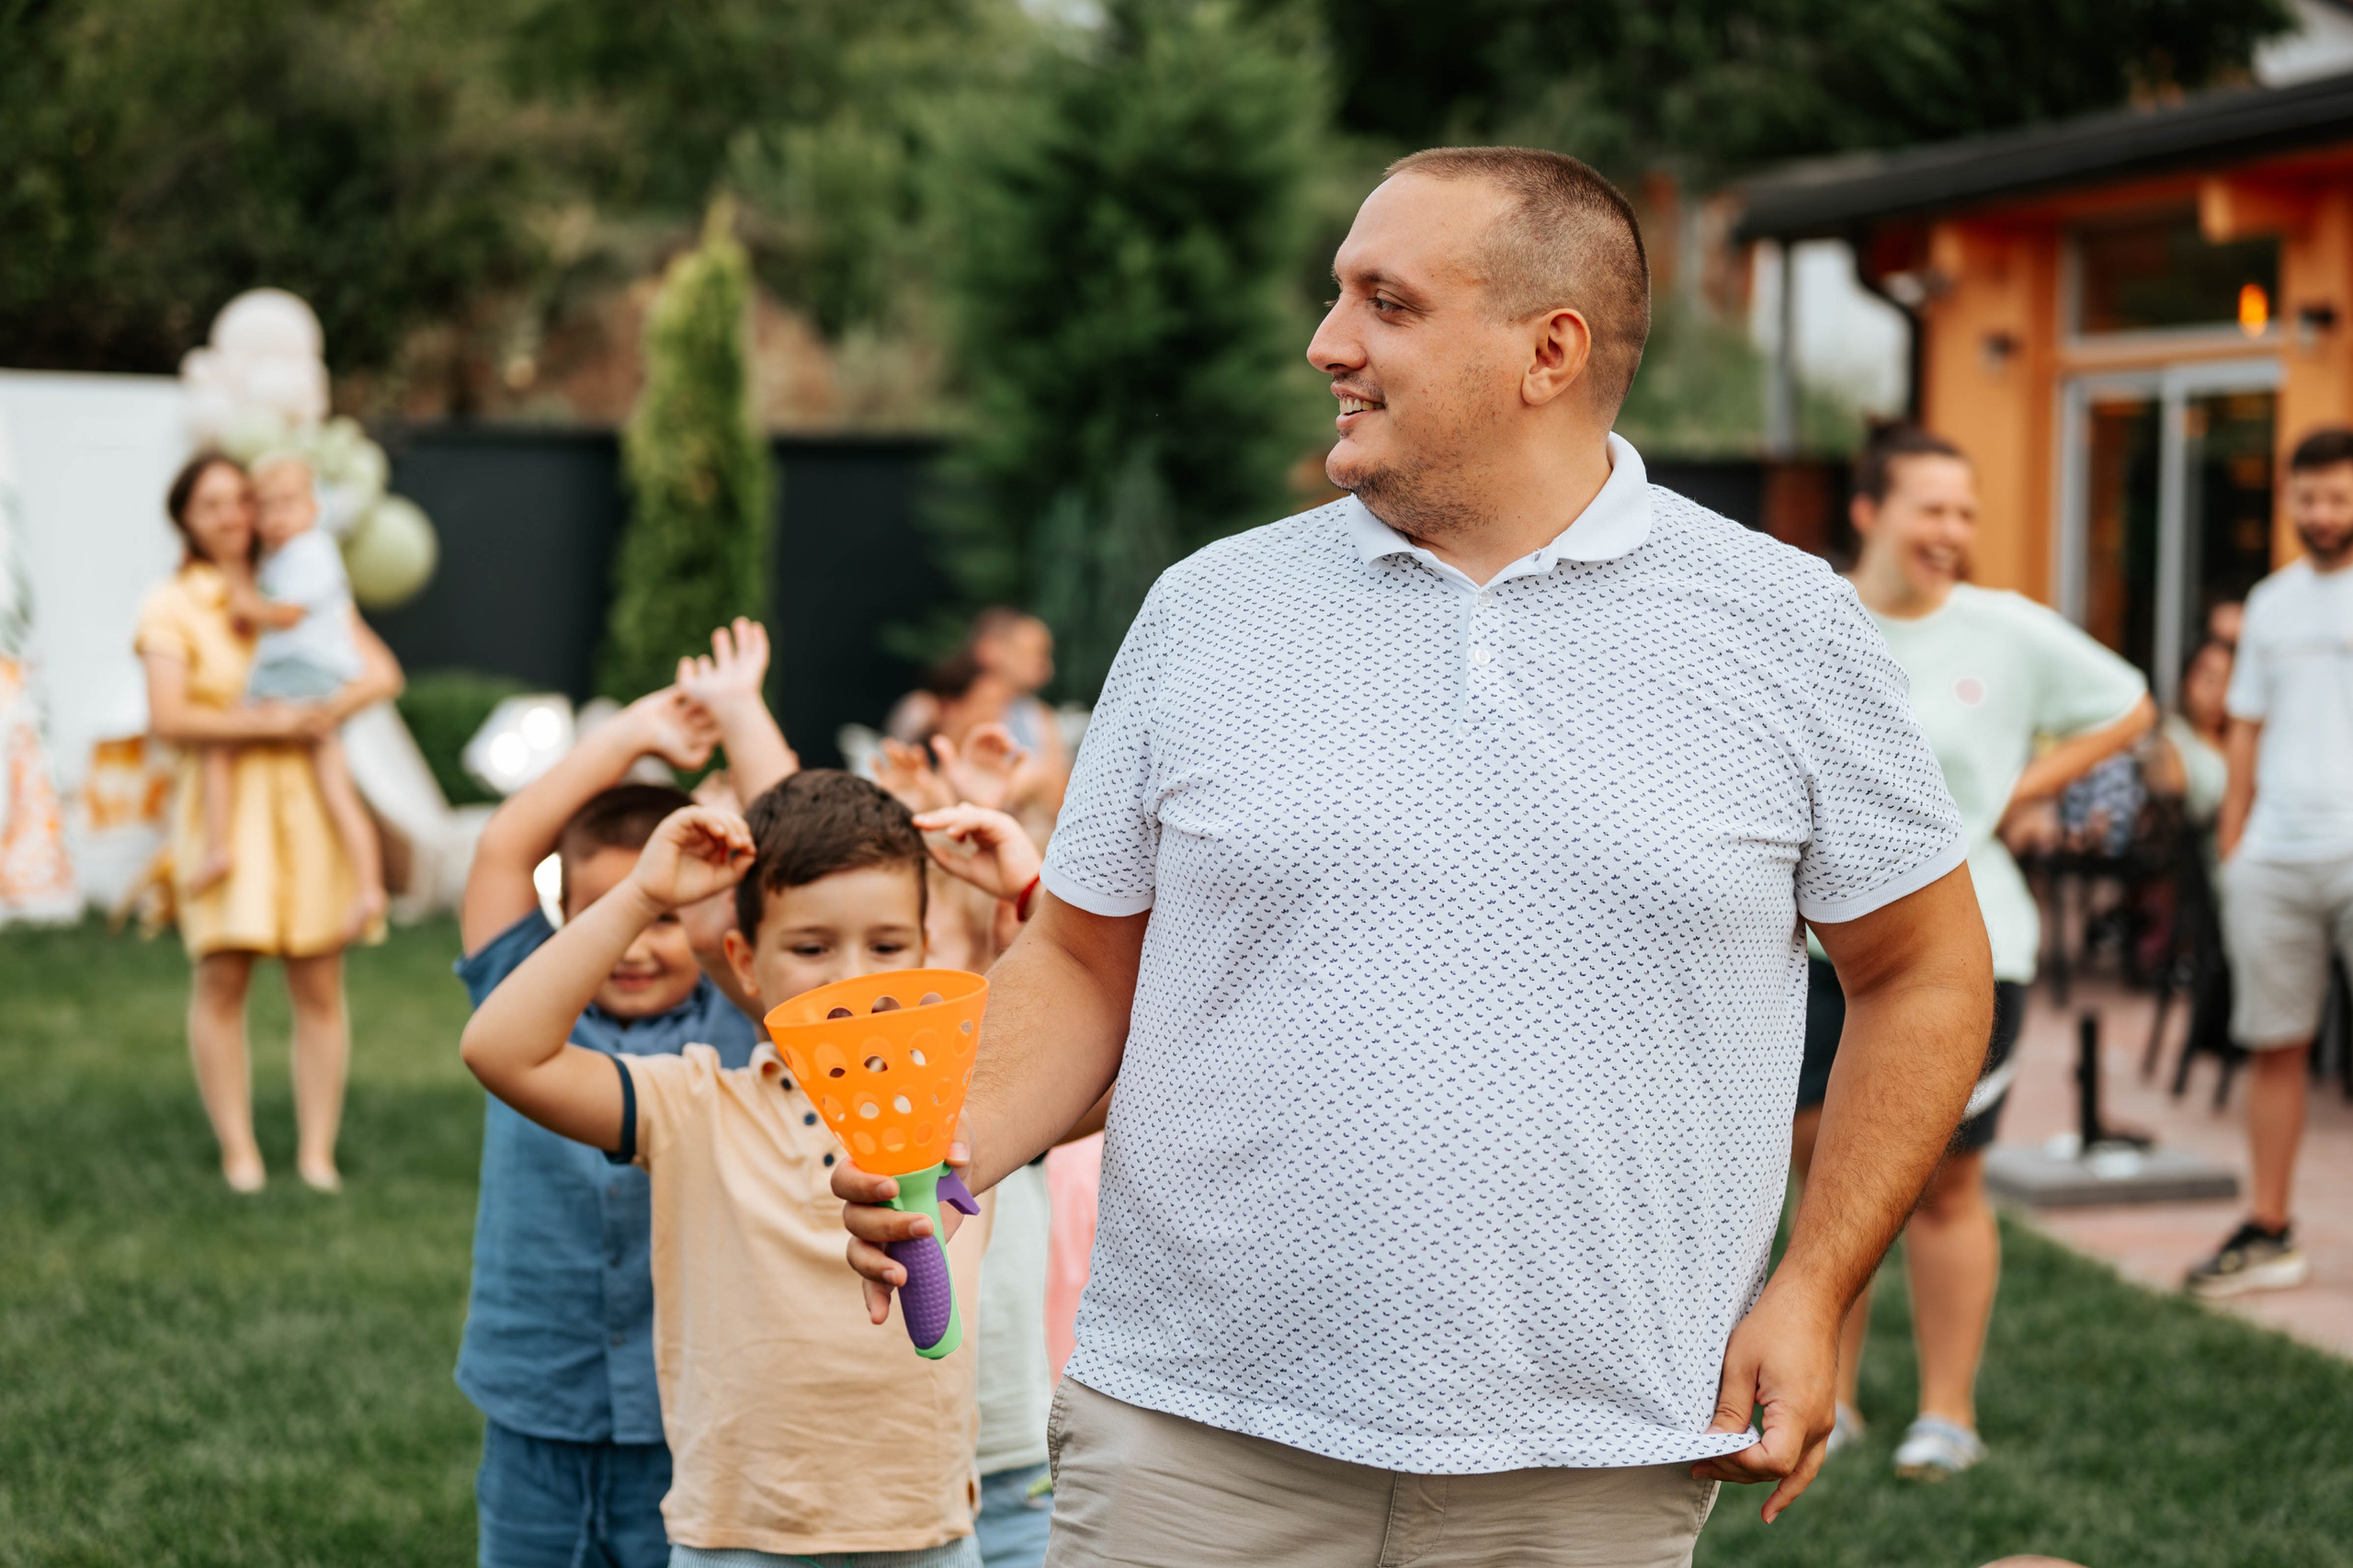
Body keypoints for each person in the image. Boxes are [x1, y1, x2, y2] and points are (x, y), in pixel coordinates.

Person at [836, 146, 1994, 1567]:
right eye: (1339, 298)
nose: (1328, 344)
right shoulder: (1207, 610)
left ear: (1547, 350)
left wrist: (1815, 1286)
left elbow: (1927, 970)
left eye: (1385, 302)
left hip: (1596, 1451)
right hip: (1195, 1433)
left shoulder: (1784, 627)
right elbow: (1084, 956)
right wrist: (953, 1147)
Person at [459, 774, 1043, 1565]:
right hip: (735, 1540)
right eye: (810, 948)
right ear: (744, 961)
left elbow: (1119, 1064)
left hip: (927, 1536)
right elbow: (502, 1050)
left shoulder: (976, 1108)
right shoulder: (694, 1103)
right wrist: (640, 895)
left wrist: (1036, 899)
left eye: (886, 945)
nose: (851, 978)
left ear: (924, 951)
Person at [1790, 426, 2154, 1480]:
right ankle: (1832, 1392)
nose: (1952, 532)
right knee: (1823, 1170)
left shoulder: (2008, 632)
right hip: (1813, 947)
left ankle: (1946, 1412)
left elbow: (2130, 703)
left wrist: (2014, 791)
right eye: (1931, 509)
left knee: (1943, 1178)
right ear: (1869, 512)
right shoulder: (1813, 618)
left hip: (1971, 947)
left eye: (1964, 512)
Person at [454, 619, 795, 1568]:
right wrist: (633, 732)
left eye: (666, 913)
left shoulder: (742, 1017)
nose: (640, 942)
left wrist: (739, 713)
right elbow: (503, 846)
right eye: (615, 912)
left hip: (690, 1415)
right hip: (536, 1401)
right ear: (572, 918)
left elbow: (802, 860)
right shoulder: (524, 995)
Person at [136, 452, 404, 1193]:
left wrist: (317, 716)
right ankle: (239, 1151)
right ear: (186, 521)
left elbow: (380, 673)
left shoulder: (302, 577)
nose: (230, 516)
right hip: (231, 804)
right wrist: (267, 730)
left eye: (239, 501)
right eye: (210, 505)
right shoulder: (174, 603)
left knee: (319, 983)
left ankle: (317, 1151)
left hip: (309, 806)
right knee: (223, 977)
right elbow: (168, 718)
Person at [2191, 426, 2353, 1297]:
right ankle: (2270, 1226)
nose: (2322, 514)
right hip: (2275, 858)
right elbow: (2243, 729)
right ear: (2288, 499)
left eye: (2338, 497)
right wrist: (2233, 845)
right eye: (2309, 498)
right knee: (2275, 1047)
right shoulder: (2270, 603)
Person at [192, 452, 386, 944]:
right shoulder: (287, 555)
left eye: (288, 505)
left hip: (299, 677)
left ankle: (217, 846)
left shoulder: (310, 552)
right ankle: (370, 888)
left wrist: (247, 606)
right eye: (267, 507)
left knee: (221, 743)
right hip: (312, 679)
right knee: (338, 790)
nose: (276, 518)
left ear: (314, 506)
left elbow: (289, 614)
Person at [2147, 638, 2234, 838]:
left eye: (2227, 682)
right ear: (2187, 680)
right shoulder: (2171, 737)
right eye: (2209, 680)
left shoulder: (2240, 740)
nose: (2218, 693)